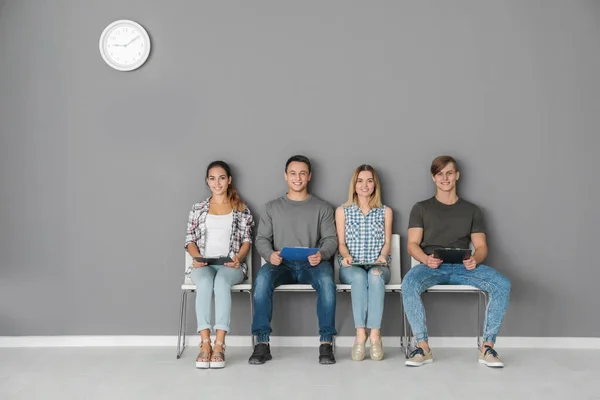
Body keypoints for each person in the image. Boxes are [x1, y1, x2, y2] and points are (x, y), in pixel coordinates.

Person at [402, 155, 511, 368]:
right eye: (440, 174)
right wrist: (426, 259)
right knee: (409, 283)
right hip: (431, 267)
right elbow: (412, 244)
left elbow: (481, 247)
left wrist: (475, 259)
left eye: (449, 173)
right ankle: (423, 348)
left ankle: (487, 347)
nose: (445, 178)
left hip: (463, 267)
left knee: (502, 283)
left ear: (457, 176)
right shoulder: (421, 208)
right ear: (433, 178)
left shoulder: (472, 210)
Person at [248, 155, 338, 365]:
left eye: (302, 173)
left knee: (327, 282)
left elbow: (330, 239)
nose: (297, 178)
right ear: (286, 176)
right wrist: (270, 255)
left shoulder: (322, 208)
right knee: (261, 281)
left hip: (313, 264)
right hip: (281, 264)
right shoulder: (271, 207)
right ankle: (262, 343)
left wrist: (322, 254)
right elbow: (261, 239)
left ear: (309, 177)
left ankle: (326, 343)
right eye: (293, 173)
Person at [185, 161, 254, 369]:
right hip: (203, 265)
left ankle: (220, 344)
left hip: (230, 266)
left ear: (229, 180)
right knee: (205, 283)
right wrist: (197, 258)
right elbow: (189, 241)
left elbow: (246, 241)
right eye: (212, 178)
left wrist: (238, 259)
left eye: (222, 178)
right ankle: (205, 343)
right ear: (207, 181)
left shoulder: (240, 208)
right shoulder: (197, 209)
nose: (217, 182)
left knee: (221, 282)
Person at [336, 164, 393, 361]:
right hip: (352, 267)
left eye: (369, 181)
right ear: (354, 185)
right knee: (360, 278)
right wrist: (346, 256)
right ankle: (361, 335)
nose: (364, 185)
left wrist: (383, 256)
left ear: (375, 185)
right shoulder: (343, 210)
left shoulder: (385, 211)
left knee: (375, 277)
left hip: (378, 265)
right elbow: (341, 243)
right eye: (360, 181)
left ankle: (375, 335)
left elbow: (387, 242)